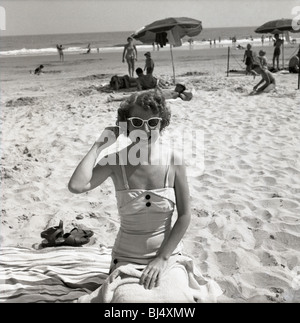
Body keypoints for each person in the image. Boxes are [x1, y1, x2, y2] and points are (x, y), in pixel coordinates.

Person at [68, 91, 215, 302]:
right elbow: (76, 186)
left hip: (167, 257)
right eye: (137, 122)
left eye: (153, 122)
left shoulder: (174, 161)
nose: (145, 129)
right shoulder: (115, 162)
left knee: (177, 301)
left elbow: (184, 216)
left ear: (161, 124)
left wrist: (162, 259)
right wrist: (98, 145)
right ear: (126, 124)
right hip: (126, 259)